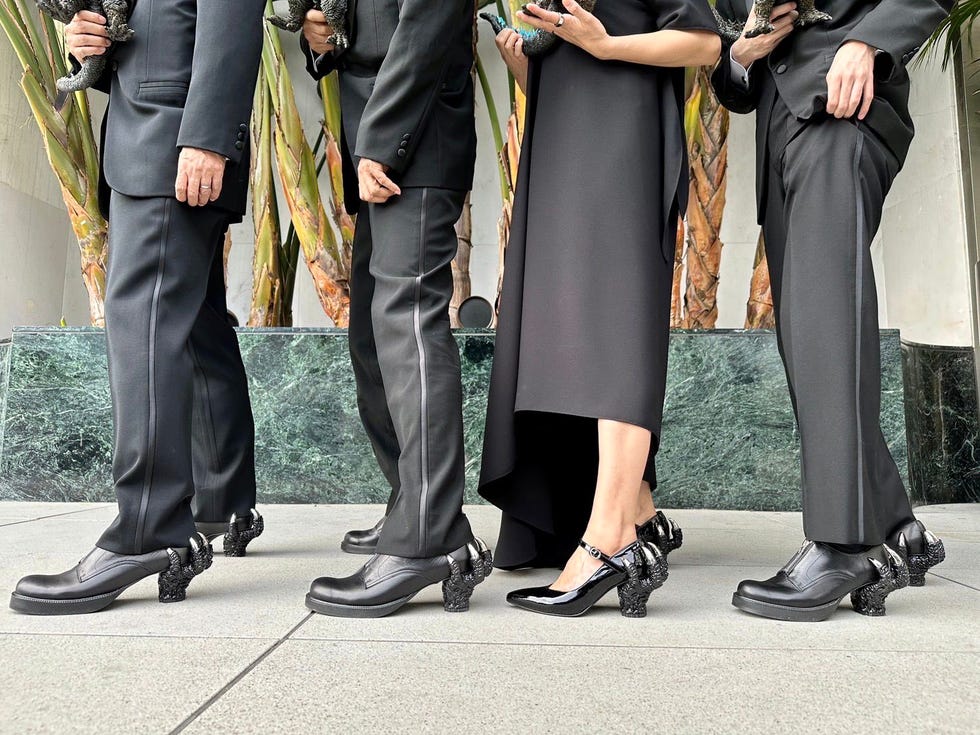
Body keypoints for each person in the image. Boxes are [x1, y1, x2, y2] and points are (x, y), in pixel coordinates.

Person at [9, 0, 266, 616]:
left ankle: (147, 530)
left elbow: (232, 14)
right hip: (151, 135)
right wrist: (86, 41)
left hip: (175, 138)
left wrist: (206, 136)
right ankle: (224, 500)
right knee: (197, 322)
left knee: (142, 326)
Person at [479, 0, 721, 617]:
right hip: (564, 134)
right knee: (569, 322)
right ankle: (635, 510)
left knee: (614, 321)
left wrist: (607, 44)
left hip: (624, 135)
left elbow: (702, 43)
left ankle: (612, 538)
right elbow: (576, 52)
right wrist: (527, 67)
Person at [711, 0, 950, 622]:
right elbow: (732, 72)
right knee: (810, 334)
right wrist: (742, 54)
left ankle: (845, 545)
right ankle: (899, 527)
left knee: (824, 319)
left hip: (847, 111)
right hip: (778, 136)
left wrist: (866, 41)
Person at [300, 0, 493, 618]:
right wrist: (324, 39)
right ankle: (416, 504)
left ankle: (425, 536)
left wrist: (381, 142)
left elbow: (431, 17)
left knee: (409, 326)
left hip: (411, 137)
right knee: (373, 339)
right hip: (378, 137)